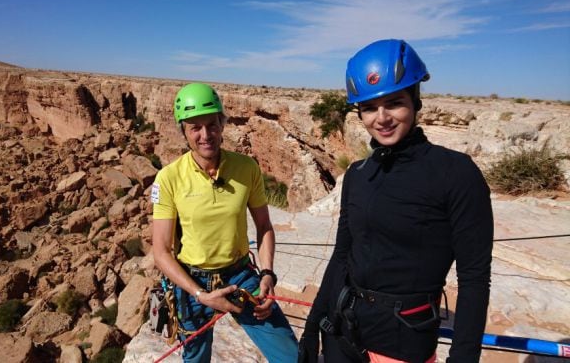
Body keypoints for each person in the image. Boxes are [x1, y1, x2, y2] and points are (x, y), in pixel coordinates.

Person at [298, 39, 493, 363]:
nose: (382, 117)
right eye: (370, 107)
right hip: (341, 332)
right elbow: (342, 256)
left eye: (395, 102)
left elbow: (474, 278)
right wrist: (313, 325)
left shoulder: (456, 174)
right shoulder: (359, 174)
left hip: (402, 343)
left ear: (415, 101)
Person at [152, 82, 299, 362]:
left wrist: (267, 273)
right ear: (183, 131)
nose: (205, 134)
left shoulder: (246, 168)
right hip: (194, 280)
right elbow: (161, 251)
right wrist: (199, 294)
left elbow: (264, 226)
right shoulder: (170, 178)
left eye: (212, 124)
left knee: (291, 356)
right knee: (196, 358)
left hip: (240, 274)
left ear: (222, 123)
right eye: (195, 127)